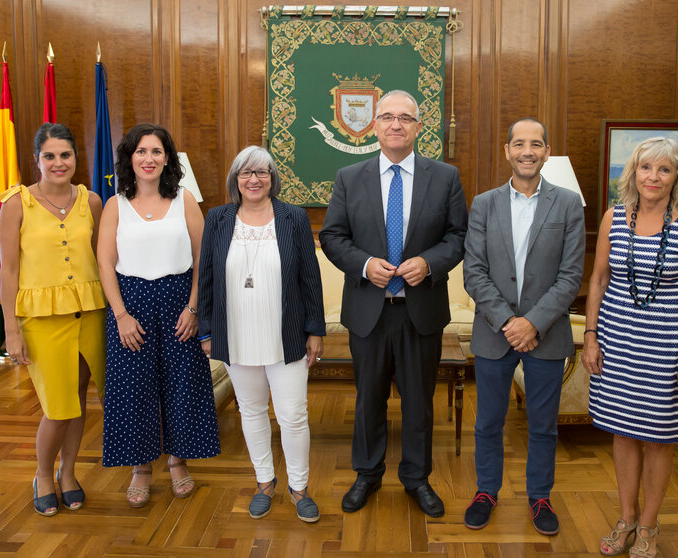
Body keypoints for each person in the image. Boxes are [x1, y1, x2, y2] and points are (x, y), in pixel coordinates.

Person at [320, 90, 468, 518]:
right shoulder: (350, 176)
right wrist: (365, 265)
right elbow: (332, 237)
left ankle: (417, 478)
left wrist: (429, 262)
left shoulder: (445, 177)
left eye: (406, 117)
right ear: (374, 126)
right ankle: (367, 474)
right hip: (368, 310)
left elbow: (457, 236)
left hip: (421, 311)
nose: (396, 124)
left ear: (419, 127)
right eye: (387, 117)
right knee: (368, 399)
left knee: (419, 401)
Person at [583, 137, 678, 557]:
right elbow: (599, 280)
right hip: (617, 344)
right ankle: (626, 518)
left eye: (664, 170)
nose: (653, 177)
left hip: (667, 350)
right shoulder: (613, 217)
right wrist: (590, 335)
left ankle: (650, 526)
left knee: (659, 437)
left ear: (677, 177)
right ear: (633, 173)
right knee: (622, 433)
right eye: (645, 168)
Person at [462, 117, 585, 534]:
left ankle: (539, 498)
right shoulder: (483, 203)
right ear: (507, 151)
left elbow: (571, 277)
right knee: (488, 422)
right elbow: (473, 272)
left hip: (547, 334)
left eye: (536, 144)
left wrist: (531, 323)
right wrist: (508, 322)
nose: (527, 151)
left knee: (543, 424)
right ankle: (486, 492)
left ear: (547, 152)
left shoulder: (568, 204)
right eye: (519, 144)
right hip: (493, 332)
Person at [197, 146, 325, 523]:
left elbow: (309, 279)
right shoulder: (217, 219)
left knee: (293, 416)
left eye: (262, 172)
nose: (254, 180)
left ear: (273, 178)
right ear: (235, 179)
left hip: (285, 336)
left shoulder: (294, 218)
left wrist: (314, 330)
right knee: (251, 411)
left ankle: (299, 488)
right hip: (235, 334)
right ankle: (264, 482)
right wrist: (206, 330)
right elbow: (205, 277)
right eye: (245, 173)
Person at [97, 123, 220, 507]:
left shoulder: (184, 199)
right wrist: (120, 315)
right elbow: (104, 261)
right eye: (141, 152)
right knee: (133, 390)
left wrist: (194, 307)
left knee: (182, 384)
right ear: (129, 158)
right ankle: (141, 468)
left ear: (168, 158)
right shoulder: (115, 204)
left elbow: (204, 257)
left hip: (179, 302)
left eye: (156, 152)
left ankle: (178, 461)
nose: (148, 159)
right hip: (130, 305)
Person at [0, 123, 106, 516]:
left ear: (76, 157)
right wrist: (11, 329)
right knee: (58, 406)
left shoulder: (91, 201)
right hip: (42, 319)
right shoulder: (15, 204)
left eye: (65, 155)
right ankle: (43, 474)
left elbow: (102, 259)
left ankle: (69, 473)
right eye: (50, 156)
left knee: (78, 396)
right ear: (37, 160)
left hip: (90, 311)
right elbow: (8, 271)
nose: (58, 163)